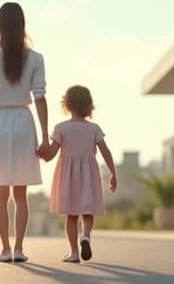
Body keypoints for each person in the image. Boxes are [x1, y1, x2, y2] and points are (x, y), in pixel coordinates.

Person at [0, 2, 48, 263]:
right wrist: (47, 137)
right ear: (22, 25)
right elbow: (40, 97)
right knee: (21, 194)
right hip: (25, 124)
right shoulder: (36, 58)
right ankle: (19, 248)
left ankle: (5, 249)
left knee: (0, 194)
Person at [41, 85, 118, 263]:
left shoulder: (61, 128)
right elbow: (106, 151)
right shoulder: (94, 128)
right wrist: (113, 173)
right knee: (88, 211)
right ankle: (86, 236)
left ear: (66, 104)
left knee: (71, 215)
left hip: (67, 176)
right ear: (88, 105)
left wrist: (41, 154)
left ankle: (74, 253)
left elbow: (51, 153)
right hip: (89, 174)